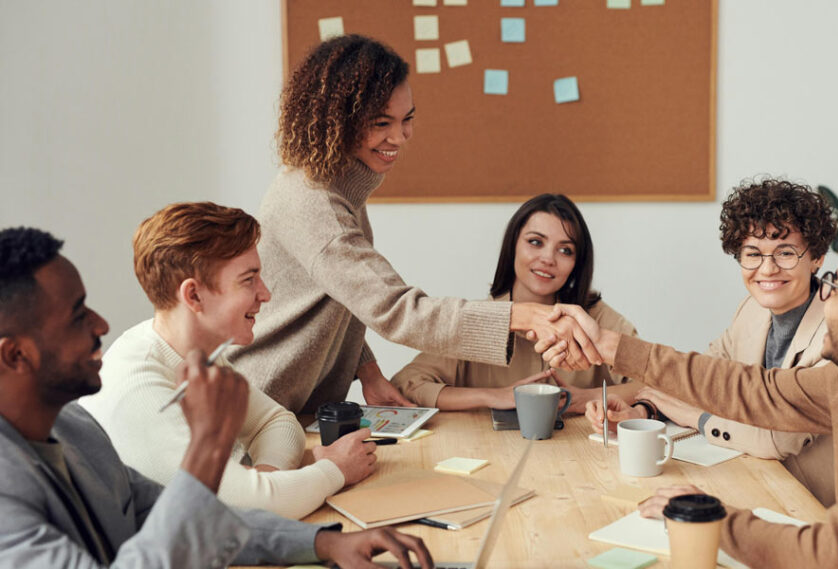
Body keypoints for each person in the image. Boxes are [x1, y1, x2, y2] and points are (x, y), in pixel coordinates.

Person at [541, 223, 838, 568]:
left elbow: (835, 554)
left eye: (836, 288)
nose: (822, 296)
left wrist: (708, 517)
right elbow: (750, 389)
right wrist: (613, 347)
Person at [0, 227, 433, 568]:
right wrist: (210, 446)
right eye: (77, 316)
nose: (100, 323)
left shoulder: (74, 428)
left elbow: (174, 514)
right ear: (15, 354)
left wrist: (323, 542)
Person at [229, 35, 600, 415]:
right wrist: (519, 315)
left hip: (293, 409)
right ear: (337, 121)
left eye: (407, 119)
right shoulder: (315, 203)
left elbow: (342, 297)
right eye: (381, 123)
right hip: (259, 407)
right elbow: (398, 310)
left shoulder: (337, 187)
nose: (400, 137)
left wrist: (368, 372)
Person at [79, 202, 374, 520]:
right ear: (193, 296)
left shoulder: (193, 352)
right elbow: (248, 511)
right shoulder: (138, 389)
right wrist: (334, 470)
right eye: (249, 280)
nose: (265, 294)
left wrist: (266, 480)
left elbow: (276, 422)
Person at [586, 178, 838, 505]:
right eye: (753, 254)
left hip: (813, 505)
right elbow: (700, 378)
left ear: (816, 256)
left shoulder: (836, 332)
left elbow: (776, 440)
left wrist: (697, 418)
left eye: (785, 252)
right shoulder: (751, 311)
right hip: (754, 483)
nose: (768, 268)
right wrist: (643, 410)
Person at [391, 194, 637, 412]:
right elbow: (406, 384)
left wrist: (589, 398)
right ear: (513, 247)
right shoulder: (479, 320)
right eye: (535, 242)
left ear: (577, 263)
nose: (548, 258)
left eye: (565, 251)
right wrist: (495, 396)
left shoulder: (598, 318)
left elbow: (659, 384)